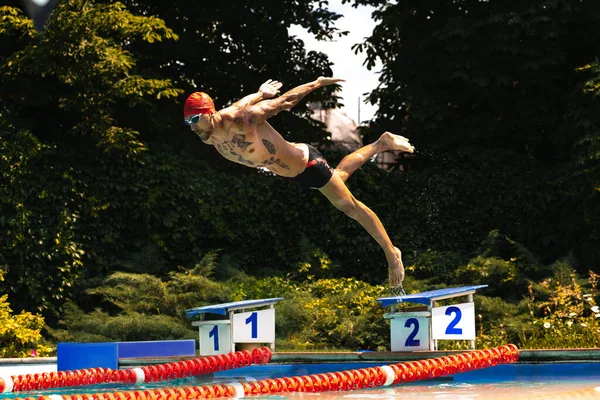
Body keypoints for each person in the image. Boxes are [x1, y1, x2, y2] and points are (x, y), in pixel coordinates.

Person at [183, 77, 415, 291]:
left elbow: (285, 101)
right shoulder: (208, 134)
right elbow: (239, 102)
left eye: (195, 119)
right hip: (292, 174)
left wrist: (317, 83)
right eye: (187, 122)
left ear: (209, 113)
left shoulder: (242, 120)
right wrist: (260, 92)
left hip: (307, 164)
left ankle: (392, 253)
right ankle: (381, 143)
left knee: (350, 207)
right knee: (340, 176)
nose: (192, 127)